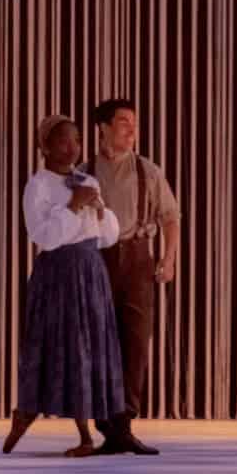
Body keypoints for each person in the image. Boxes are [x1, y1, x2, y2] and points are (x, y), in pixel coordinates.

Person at [3, 115, 124, 457]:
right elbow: (43, 236)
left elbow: (107, 236)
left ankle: (87, 435)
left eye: (77, 140)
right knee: (57, 345)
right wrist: (73, 205)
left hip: (89, 270)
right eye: (63, 141)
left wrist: (98, 208)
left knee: (87, 348)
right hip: (57, 274)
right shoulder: (38, 185)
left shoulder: (86, 180)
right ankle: (25, 413)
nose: (72, 147)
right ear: (44, 146)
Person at [82, 99, 180, 455]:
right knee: (98, 342)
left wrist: (168, 259)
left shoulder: (147, 171)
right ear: (103, 127)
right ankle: (104, 424)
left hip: (137, 258)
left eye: (133, 123)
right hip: (95, 259)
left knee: (135, 342)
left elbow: (171, 217)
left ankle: (124, 423)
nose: (130, 129)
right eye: (123, 121)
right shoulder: (84, 171)